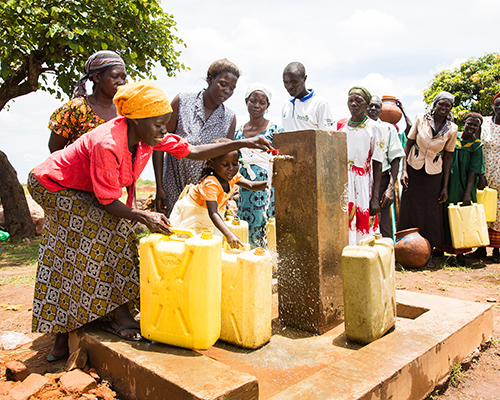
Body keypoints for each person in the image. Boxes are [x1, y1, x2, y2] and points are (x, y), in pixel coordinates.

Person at [27, 80, 273, 362]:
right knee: (98, 241)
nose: (164, 130)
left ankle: (87, 322)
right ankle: (105, 319)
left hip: (82, 188)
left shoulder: (148, 136)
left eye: (165, 123)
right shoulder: (107, 143)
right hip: (52, 185)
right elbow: (108, 201)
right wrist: (144, 215)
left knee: (100, 240)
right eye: (159, 124)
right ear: (135, 120)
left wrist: (245, 141)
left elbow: (192, 151)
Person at [154, 59, 239, 216]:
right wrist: (160, 186)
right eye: (223, 84)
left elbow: (226, 161)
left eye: (232, 88)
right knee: (170, 234)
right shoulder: (182, 102)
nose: (227, 90)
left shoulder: (229, 118)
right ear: (209, 79)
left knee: (201, 237)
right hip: (173, 184)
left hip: (204, 194)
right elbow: (159, 144)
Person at [170, 138, 271, 248]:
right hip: (195, 213)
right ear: (212, 164)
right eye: (225, 164)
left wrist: (271, 182)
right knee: (192, 244)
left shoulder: (232, 176)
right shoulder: (210, 183)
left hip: (211, 215)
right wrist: (229, 234)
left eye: (235, 163)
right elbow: (212, 213)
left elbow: (251, 185)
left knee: (210, 243)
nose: (231, 168)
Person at [398, 91, 458, 268]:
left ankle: (428, 253)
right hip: (413, 170)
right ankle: (403, 251)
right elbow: (407, 145)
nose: (444, 108)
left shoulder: (452, 129)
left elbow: (448, 158)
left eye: (448, 105)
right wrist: (404, 171)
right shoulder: (420, 119)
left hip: (434, 174)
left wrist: (445, 186)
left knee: (431, 214)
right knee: (410, 209)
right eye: (441, 104)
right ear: (435, 104)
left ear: (450, 108)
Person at [234, 84, 284, 247]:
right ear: (246, 102)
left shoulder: (274, 129)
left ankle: (266, 261)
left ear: (267, 106)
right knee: (244, 221)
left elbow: (281, 156)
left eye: (262, 102)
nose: (257, 105)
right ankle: (247, 256)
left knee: (265, 221)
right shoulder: (238, 131)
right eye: (253, 101)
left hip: (267, 183)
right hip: (245, 183)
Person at [48, 50, 127, 153]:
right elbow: (55, 148)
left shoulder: (124, 110)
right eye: (114, 77)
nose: (120, 82)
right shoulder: (77, 108)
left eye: (123, 78)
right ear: (97, 77)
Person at [434, 113, 484, 265]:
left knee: (462, 217)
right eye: (470, 123)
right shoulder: (453, 138)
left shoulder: (476, 145)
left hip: (463, 184)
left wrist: (468, 192)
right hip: (447, 181)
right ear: (464, 123)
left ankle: (460, 252)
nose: (472, 127)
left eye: (476, 125)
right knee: (443, 213)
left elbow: (473, 170)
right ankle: (441, 246)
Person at [337, 87, 385, 245]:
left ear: (366, 104)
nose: (354, 104)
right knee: (342, 220)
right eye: (351, 100)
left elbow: (378, 163)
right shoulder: (340, 126)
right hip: (342, 180)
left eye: (359, 101)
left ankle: (363, 259)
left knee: (363, 223)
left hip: (362, 181)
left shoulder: (376, 128)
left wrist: (375, 197)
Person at [366, 96, 406, 238]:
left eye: (376, 106)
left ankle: (388, 258)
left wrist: (390, 188)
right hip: (361, 180)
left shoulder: (388, 129)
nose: (372, 109)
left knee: (383, 222)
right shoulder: (357, 128)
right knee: (363, 221)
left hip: (382, 180)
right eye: (370, 105)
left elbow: (395, 158)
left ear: (381, 110)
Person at [468, 94, 500, 262]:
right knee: (481, 209)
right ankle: (480, 248)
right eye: (497, 105)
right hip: (484, 174)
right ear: (492, 106)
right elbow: (477, 147)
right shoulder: (485, 123)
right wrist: (480, 173)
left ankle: (497, 251)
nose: (499, 108)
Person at [281, 62, 334, 132]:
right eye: (286, 82)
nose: (289, 86)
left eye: (294, 81)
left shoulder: (321, 103)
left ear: (304, 79)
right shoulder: (286, 104)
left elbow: (327, 136)